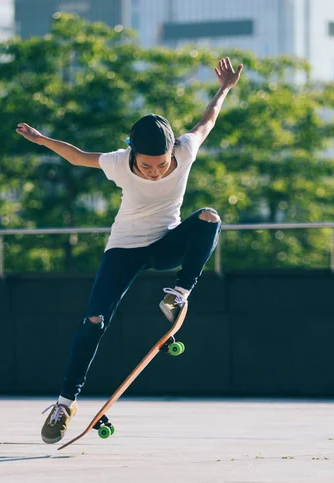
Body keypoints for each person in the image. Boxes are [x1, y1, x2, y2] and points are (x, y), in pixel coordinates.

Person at [16, 57, 243, 444]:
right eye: (147, 165)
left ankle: (179, 292)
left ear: (173, 152)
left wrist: (224, 88)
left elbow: (207, 121)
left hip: (167, 244)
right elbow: (77, 155)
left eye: (161, 165)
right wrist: (42, 140)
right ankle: (64, 404)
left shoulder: (185, 151)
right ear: (132, 153)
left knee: (209, 216)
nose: (155, 172)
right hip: (124, 250)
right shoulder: (119, 163)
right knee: (94, 322)